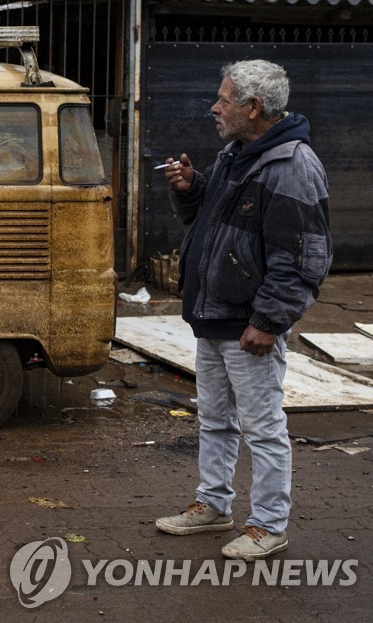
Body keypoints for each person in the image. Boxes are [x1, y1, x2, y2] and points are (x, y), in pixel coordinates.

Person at [154, 59, 332, 561]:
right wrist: (190, 189)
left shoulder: (292, 166)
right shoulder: (238, 153)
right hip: (212, 316)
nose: (215, 106)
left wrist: (269, 322)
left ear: (253, 108)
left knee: (263, 429)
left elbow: (304, 257)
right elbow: (211, 222)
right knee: (214, 420)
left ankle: (269, 525)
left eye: (225, 99)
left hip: (248, 323)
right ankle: (214, 504)